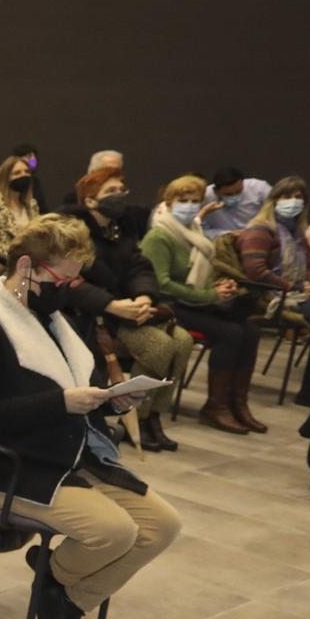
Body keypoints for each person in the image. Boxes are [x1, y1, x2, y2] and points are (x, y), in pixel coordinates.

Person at [0, 214, 181, 619]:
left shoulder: (55, 324)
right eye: (63, 278)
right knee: (114, 532)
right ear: (28, 268)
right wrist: (62, 404)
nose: (69, 289)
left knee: (162, 527)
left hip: (60, 455)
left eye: (75, 280)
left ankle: (62, 593)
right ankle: (58, 584)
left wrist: (113, 402)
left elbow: (78, 393)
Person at [70, 165, 189, 452]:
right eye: (110, 191)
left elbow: (139, 266)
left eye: (121, 190)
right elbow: (70, 281)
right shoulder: (74, 230)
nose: (119, 196)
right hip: (96, 314)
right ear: (89, 200)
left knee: (183, 342)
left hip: (129, 307)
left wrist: (145, 296)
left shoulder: (121, 227)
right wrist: (111, 305)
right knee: (159, 346)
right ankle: (132, 415)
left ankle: (153, 417)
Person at [141, 175, 266, 433]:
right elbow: (161, 284)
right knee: (230, 333)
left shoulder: (195, 232)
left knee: (251, 330)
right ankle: (215, 407)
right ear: (169, 202)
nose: (189, 205)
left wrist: (219, 288)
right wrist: (211, 295)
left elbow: (204, 277)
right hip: (168, 305)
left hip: (195, 302)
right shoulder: (160, 236)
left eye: (195, 200)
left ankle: (237, 403)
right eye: (183, 200)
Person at [200, 166, 271, 238]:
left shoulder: (259, 188)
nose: (235, 196)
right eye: (228, 194)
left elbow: (275, 216)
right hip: (223, 240)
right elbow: (202, 229)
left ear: (243, 183)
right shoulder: (206, 196)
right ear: (216, 191)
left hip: (258, 235)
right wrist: (227, 234)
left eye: (238, 191)